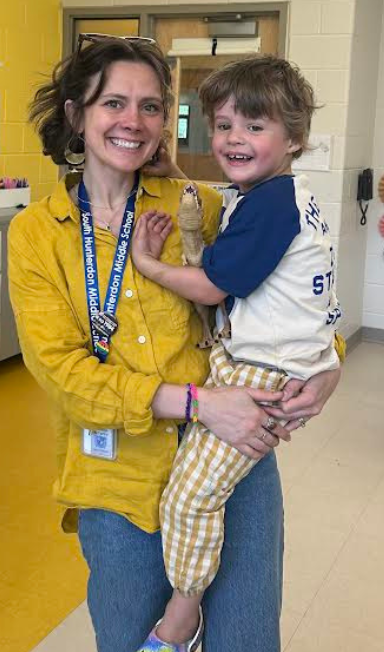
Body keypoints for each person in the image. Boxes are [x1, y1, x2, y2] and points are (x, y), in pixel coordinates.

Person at [7, 36, 343, 652]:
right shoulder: (36, 235)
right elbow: (61, 372)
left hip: (235, 453)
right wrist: (199, 403)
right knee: (136, 639)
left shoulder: (202, 204)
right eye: (113, 103)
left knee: (246, 641)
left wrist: (330, 367)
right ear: (77, 115)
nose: (134, 122)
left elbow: (291, 297)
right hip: (120, 477)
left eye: (152, 106)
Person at [131, 56, 341, 650]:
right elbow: (227, 209)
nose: (234, 139)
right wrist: (172, 167)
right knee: (203, 487)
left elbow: (214, 286)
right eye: (223, 125)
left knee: (190, 496)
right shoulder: (279, 193)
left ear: (294, 137)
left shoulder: (270, 205)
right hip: (274, 358)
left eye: (254, 126)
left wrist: (149, 264)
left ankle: (182, 612)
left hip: (263, 370)